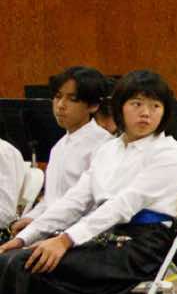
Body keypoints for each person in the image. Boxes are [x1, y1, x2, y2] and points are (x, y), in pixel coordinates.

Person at [0, 70, 177, 294]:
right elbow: (75, 201)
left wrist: (65, 240)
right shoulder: (109, 150)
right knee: (11, 259)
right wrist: (24, 237)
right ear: (120, 107)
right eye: (137, 104)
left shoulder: (168, 151)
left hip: (142, 244)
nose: (146, 113)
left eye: (155, 106)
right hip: (104, 236)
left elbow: (123, 204)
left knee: (30, 267)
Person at [17, 67, 113, 221]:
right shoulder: (59, 146)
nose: (60, 105)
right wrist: (30, 218)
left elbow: (92, 207)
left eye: (72, 99)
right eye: (57, 97)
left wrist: (40, 227)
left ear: (93, 105)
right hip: (49, 226)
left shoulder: (104, 146)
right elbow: (51, 200)